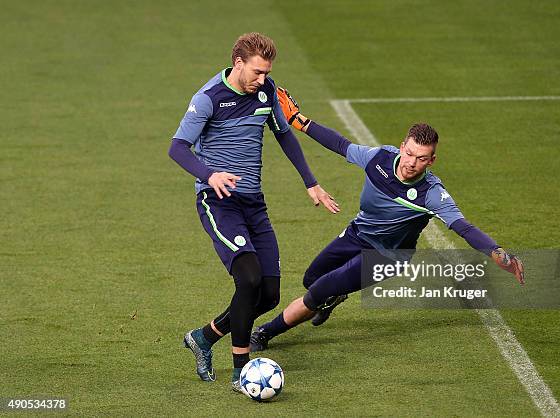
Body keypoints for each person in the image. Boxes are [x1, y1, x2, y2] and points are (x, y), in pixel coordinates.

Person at [249, 88, 525, 351]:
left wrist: (498, 253)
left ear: (431, 161)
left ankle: (265, 332)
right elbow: (341, 145)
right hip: (358, 233)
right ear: (402, 146)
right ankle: (334, 296)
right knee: (312, 278)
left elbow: (465, 228)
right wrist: (299, 121)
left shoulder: (432, 194)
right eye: (409, 153)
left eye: (421, 158)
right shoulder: (379, 158)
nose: (411, 163)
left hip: (386, 256)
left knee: (318, 291)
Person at [168, 34, 339, 390]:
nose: (262, 79)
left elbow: (284, 134)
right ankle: (240, 369)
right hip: (218, 203)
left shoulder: (266, 91)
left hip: (253, 204)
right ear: (238, 62)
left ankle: (203, 337)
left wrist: (311, 182)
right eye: (258, 72)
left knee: (269, 295)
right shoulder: (208, 99)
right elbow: (178, 148)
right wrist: (209, 174)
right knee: (248, 278)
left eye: (267, 73)